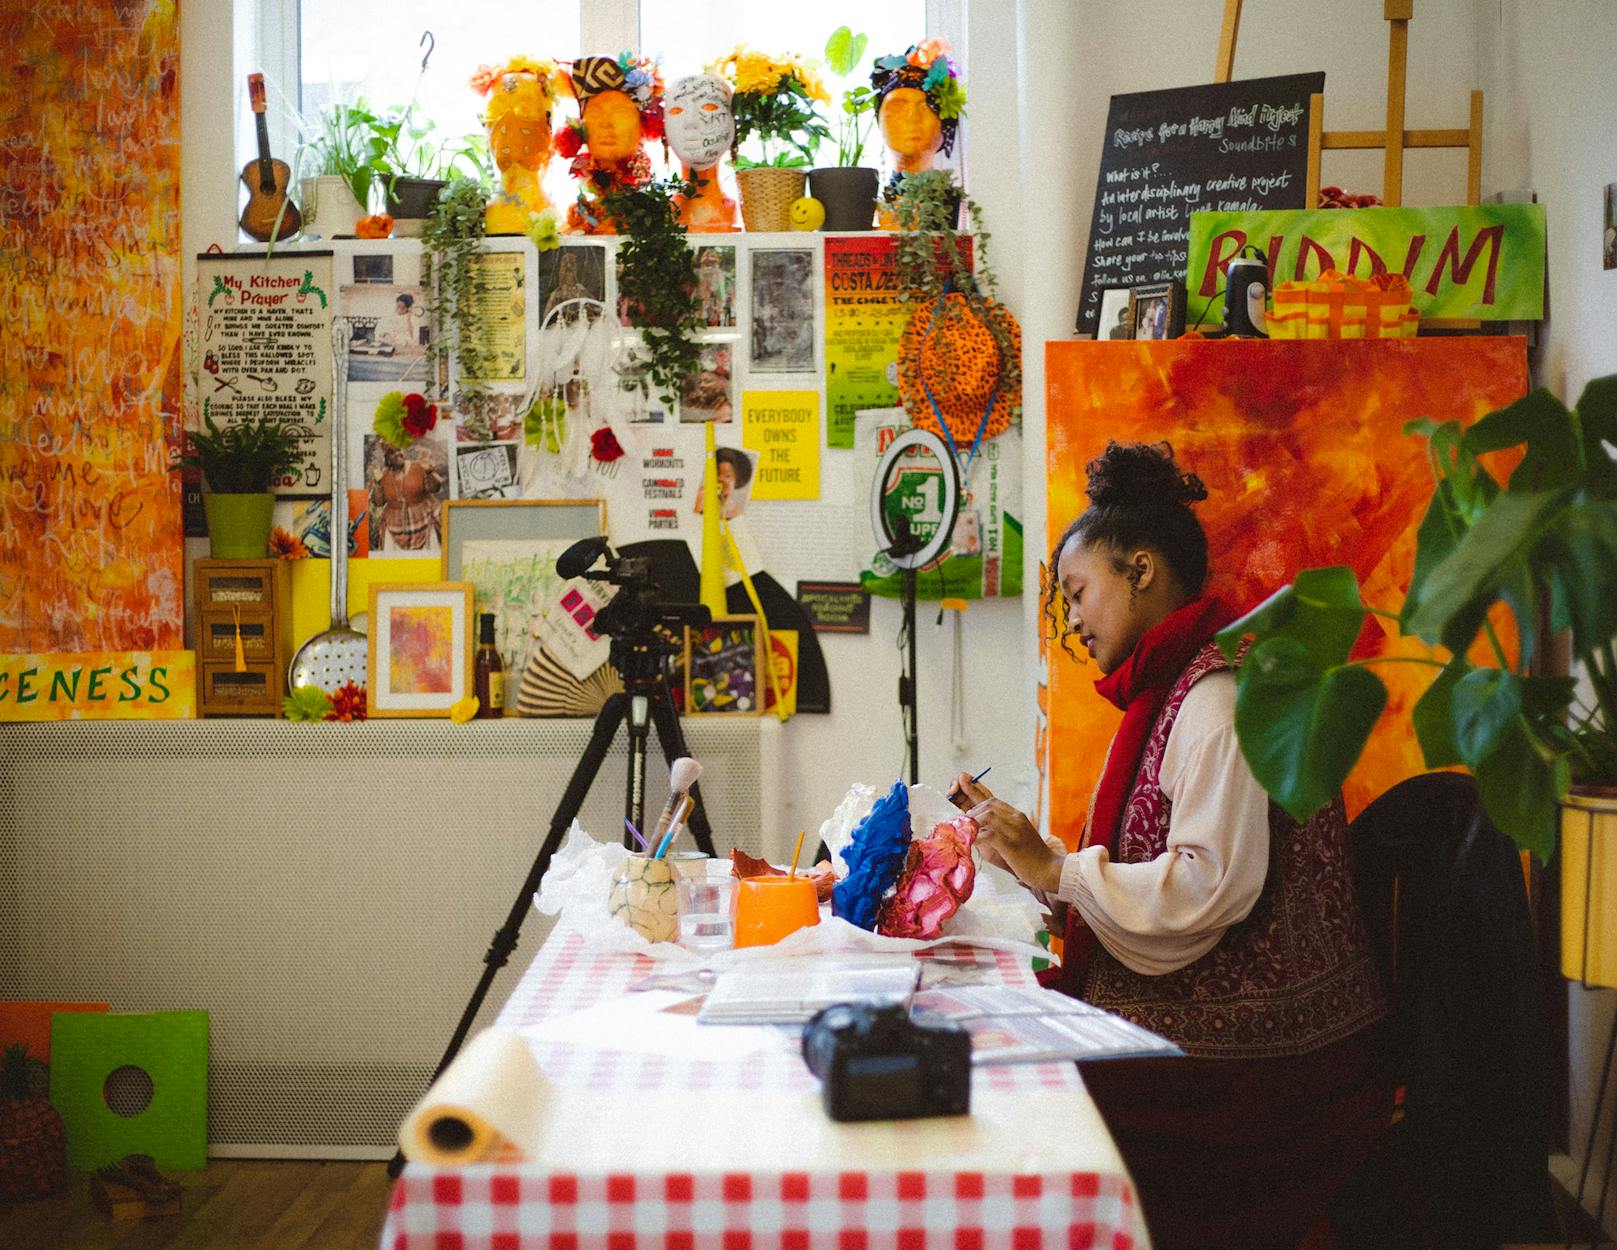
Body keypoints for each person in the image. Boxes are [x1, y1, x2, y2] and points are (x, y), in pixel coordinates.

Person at [952, 441, 1388, 1250]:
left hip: (1267, 1076)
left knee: (1019, 1090)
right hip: (1243, 1042)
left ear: (1141, 571)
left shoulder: (1214, 697)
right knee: (995, 1044)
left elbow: (1208, 888)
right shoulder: (1190, 682)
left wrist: (1057, 868)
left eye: (1078, 594)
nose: (1072, 622)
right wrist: (1037, 865)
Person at [370, 443, 444, 552]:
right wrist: (378, 483)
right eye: (392, 453)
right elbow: (379, 502)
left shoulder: (418, 466)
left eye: (398, 450)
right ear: (387, 459)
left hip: (424, 521)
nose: (397, 454)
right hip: (394, 527)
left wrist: (429, 472)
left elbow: (435, 488)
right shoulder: (384, 475)